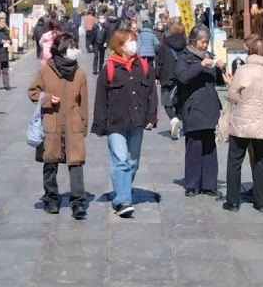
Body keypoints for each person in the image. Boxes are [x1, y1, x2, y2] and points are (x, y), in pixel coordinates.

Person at [91, 28, 157, 218]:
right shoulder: (110, 69)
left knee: (133, 162)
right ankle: (122, 200)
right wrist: (100, 124)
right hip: (116, 123)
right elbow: (101, 98)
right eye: (129, 41)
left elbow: (152, 94)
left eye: (134, 40)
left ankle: (123, 190)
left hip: (137, 122)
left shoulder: (143, 66)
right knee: (120, 160)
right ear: (119, 46)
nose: (133, 44)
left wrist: (151, 117)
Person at [28, 33, 89, 219]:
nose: (75, 50)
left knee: (76, 163)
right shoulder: (46, 71)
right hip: (51, 122)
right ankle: (51, 198)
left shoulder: (80, 73)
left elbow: (84, 102)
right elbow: (33, 92)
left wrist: (84, 125)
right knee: (50, 163)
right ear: (62, 49)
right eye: (72, 47)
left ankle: (78, 202)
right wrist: (46, 99)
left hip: (73, 123)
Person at [222, 36, 263, 213]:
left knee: (235, 160)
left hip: (243, 120)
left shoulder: (243, 70)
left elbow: (233, 95)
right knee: (262, 161)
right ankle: (262, 202)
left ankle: (233, 201)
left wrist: (245, 101)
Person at [175, 24, 229, 197]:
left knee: (209, 146)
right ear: (193, 41)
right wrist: (200, 66)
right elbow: (183, 77)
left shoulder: (209, 57)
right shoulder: (184, 57)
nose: (205, 46)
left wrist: (221, 69)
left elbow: (217, 82)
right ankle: (191, 183)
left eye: (207, 42)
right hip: (192, 107)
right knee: (194, 146)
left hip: (210, 106)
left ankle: (209, 184)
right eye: (202, 42)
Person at [156, 20, 187, 140]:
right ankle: (178, 121)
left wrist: (157, 75)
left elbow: (159, 61)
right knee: (180, 102)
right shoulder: (186, 44)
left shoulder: (165, 44)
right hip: (182, 76)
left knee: (166, 102)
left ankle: (173, 119)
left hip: (167, 76)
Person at [0, 13, 13, 91]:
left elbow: (10, 40)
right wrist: (1, 41)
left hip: (4, 53)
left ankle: (6, 85)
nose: (4, 24)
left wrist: (9, 41)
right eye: (3, 22)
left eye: (5, 22)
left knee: (5, 70)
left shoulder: (6, 31)